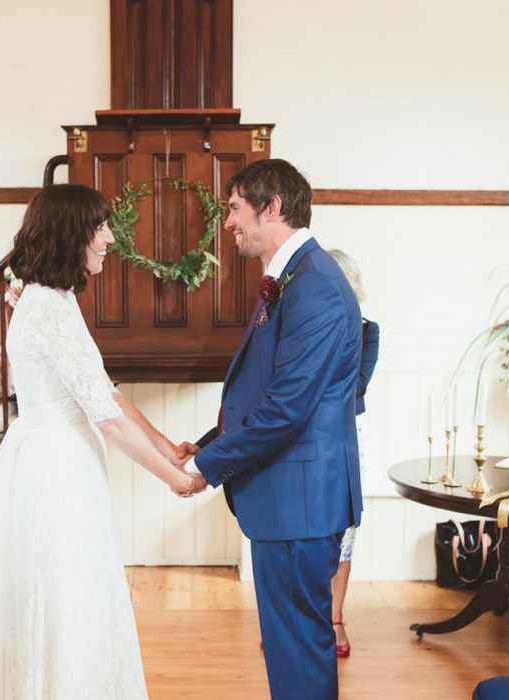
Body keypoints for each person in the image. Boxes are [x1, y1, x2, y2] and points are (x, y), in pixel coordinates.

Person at [0, 184, 201, 699]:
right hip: (55, 472)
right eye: (100, 227)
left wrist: (167, 445)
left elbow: (105, 392)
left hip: (59, 459)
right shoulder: (45, 311)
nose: (110, 237)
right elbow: (105, 416)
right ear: (72, 234)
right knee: (61, 594)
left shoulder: (55, 301)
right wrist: (176, 479)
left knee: (73, 592)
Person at [179, 159, 363, 700]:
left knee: (299, 653)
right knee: (291, 650)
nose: (228, 222)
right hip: (290, 500)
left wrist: (204, 470)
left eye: (235, 208)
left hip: (298, 504)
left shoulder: (313, 286)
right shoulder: (295, 278)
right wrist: (208, 445)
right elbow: (270, 391)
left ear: (273, 206)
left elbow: (287, 408)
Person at [327, 249, 380, 659]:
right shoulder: (302, 327)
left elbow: (357, 385)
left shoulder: (368, 330)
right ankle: (301, 617)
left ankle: (335, 617)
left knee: (344, 531)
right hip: (304, 435)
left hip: (347, 434)